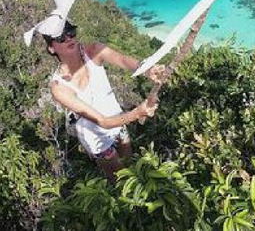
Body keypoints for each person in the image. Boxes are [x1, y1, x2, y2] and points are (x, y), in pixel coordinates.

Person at [45, 20, 166, 181]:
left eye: (70, 31)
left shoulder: (93, 51)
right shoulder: (59, 87)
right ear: (51, 48)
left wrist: (147, 69)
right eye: (60, 37)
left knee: (130, 163)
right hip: (95, 136)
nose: (68, 38)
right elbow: (101, 121)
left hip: (118, 119)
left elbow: (122, 60)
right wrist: (137, 113)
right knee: (120, 179)